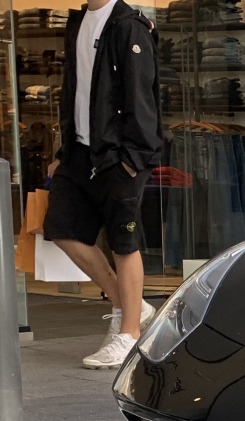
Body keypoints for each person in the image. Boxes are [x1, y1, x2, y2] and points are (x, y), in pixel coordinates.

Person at [44, 0, 163, 369]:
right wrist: (63, 148)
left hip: (121, 154)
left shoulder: (128, 25)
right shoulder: (78, 22)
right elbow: (73, 90)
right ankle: (130, 305)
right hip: (80, 151)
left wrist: (135, 157)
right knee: (62, 230)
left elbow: (142, 93)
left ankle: (128, 334)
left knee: (123, 242)